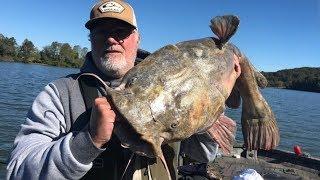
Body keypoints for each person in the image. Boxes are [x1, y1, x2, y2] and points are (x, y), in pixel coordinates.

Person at [7, 0, 231, 179]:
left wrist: (211, 107)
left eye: (121, 31)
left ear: (137, 38)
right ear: (90, 39)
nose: (111, 39)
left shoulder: (177, 84)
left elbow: (201, 155)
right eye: (100, 32)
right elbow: (17, 171)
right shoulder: (59, 94)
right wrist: (87, 141)